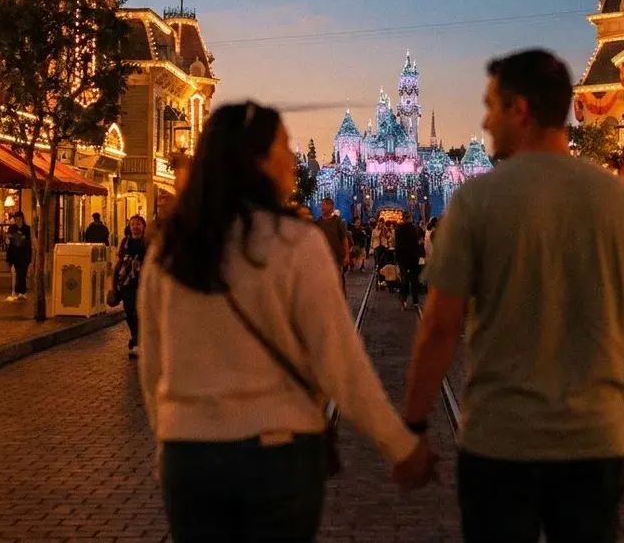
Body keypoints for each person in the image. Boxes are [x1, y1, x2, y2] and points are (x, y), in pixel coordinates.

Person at [137, 101, 433, 541]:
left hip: (190, 458)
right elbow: (341, 363)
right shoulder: (295, 243)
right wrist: (399, 444)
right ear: (257, 162)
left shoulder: (172, 248)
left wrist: (169, 440)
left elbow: (153, 363)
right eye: (283, 147)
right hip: (275, 453)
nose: (294, 159)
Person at [403, 50, 624, 542]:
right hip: (595, 441)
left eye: (491, 106)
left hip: (500, 442)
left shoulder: (476, 202)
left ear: (519, 109)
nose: (483, 121)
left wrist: (414, 425)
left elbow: (439, 329)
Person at [115, 215, 148, 359]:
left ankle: (138, 341)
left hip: (143, 282)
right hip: (126, 282)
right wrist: (114, 283)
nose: (135, 226)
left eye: (138, 224)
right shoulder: (125, 242)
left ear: (143, 226)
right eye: (132, 224)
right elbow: (119, 262)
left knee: (140, 312)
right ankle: (135, 337)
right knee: (129, 311)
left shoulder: (147, 242)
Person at [315, 198, 350, 290]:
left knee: (337, 281)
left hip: (337, 257)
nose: (322, 207)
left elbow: (344, 238)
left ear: (331, 207)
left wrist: (347, 255)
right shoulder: (318, 222)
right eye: (322, 205)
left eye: (324, 205)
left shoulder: (338, 221)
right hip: (322, 257)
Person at [394, 212, 425, 310]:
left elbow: (398, 245)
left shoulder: (398, 229)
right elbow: (420, 242)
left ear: (403, 218)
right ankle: (415, 300)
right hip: (414, 257)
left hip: (403, 258)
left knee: (404, 278)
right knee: (414, 278)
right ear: (410, 218)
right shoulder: (416, 228)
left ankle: (404, 299)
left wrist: (397, 258)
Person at [6, 212, 33, 301]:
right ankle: (15, 291)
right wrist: (8, 239)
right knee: (14, 272)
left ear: (22, 219)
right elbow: (8, 238)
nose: (17, 221)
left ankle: (22, 292)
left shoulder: (27, 229)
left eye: (19, 219)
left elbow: (31, 241)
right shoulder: (11, 228)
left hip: (24, 255)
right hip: (14, 254)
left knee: (23, 274)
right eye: (16, 220)